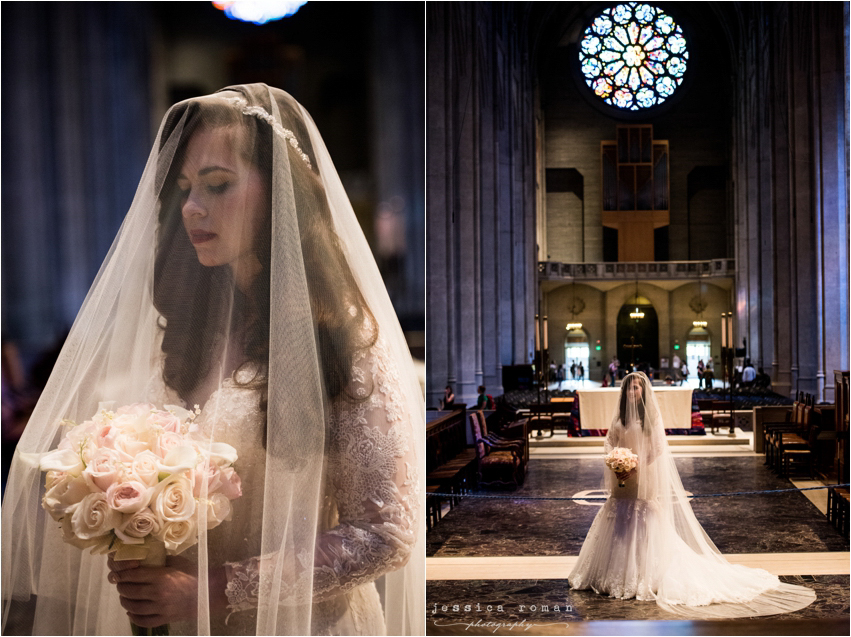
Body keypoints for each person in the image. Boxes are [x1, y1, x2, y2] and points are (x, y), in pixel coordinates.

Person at [1, 85, 424, 635]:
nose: (193, 208)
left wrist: (213, 590)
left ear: (281, 194)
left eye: (217, 184)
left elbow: (384, 535)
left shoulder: (343, 336)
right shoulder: (181, 330)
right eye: (184, 188)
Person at [568, 372, 815, 617]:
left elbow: (657, 447)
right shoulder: (619, 418)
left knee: (643, 516)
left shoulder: (649, 417)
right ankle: (614, 571)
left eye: (637, 388)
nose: (633, 392)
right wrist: (615, 460)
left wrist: (635, 465)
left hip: (642, 476)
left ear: (643, 390)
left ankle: (643, 572)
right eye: (630, 388)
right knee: (619, 515)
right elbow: (610, 441)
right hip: (622, 480)